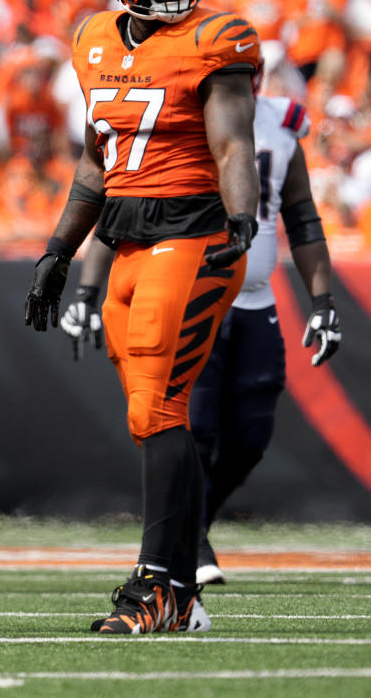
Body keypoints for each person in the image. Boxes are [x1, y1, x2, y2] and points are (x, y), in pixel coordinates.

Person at [24, 0, 260, 635]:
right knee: (152, 416)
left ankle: (158, 585)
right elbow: (96, 164)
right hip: (126, 238)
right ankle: (182, 591)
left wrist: (242, 217)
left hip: (194, 234)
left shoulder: (216, 39)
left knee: (157, 407)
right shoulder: (93, 38)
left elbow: (232, 147)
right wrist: (59, 251)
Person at [59, 89, 340, 585]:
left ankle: (195, 523)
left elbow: (302, 216)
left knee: (252, 434)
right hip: (189, 285)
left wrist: (322, 302)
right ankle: (186, 545)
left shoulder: (283, 122)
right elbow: (118, 207)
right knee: (192, 422)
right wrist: (85, 289)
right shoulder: (176, 113)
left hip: (256, 300)